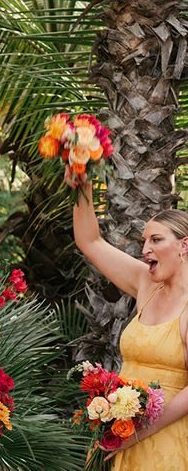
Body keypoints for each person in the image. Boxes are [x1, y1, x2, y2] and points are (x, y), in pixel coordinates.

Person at [74, 181, 188, 469]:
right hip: (119, 438)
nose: (145, 249)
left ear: (184, 245)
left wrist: (137, 434)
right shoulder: (146, 284)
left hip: (166, 444)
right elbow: (90, 242)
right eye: (144, 241)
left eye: (156, 240)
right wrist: (81, 184)